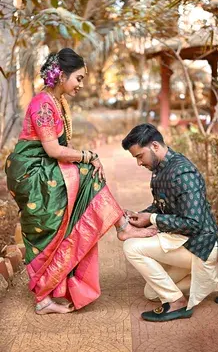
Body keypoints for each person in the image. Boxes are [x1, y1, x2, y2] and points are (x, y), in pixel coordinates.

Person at [5, 49, 157, 315]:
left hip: (44, 168)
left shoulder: (57, 101)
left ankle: (45, 298)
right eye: (78, 78)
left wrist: (86, 159)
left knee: (79, 200)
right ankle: (122, 225)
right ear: (61, 75)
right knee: (83, 180)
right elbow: (53, 150)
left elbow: (64, 147)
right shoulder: (42, 103)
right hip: (32, 173)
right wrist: (89, 156)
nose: (81, 84)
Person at [121, 123, 218, 322]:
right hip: (185, 243)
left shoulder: (183, 173)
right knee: (152, 293)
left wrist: (152, 219)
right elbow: (163, 205)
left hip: (202, 245)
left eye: (140, 156)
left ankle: (176, 303)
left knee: (132, 247)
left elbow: (193, 222)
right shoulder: (160, 169)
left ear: (155, 146)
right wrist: (141, 215)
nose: (139, 163)